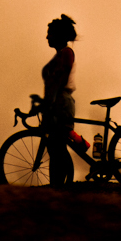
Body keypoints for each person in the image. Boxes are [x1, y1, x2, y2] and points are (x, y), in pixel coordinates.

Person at [42, 14, 78, 185]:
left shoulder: (66, 52)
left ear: (58, 35)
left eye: (50, 33)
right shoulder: (60, 54)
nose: (47, 36)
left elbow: (62, 78)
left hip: (61, 101)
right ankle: (57, 184)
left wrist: (51, 100)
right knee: (54, 145)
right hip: (57, 100)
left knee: (56, 144)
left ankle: (59, 185)